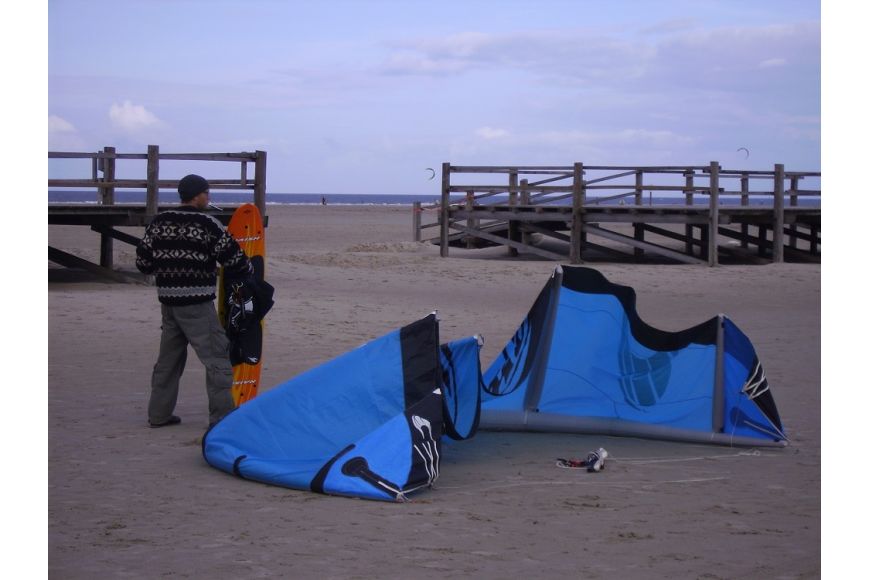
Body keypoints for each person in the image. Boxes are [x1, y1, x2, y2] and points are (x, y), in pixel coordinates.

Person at [136, 174, 253, 428]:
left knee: (169, 360)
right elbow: (235, 260)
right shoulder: (207, 224)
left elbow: (143, 263)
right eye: (207, 193)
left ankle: (158, 414)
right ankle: (222, 419)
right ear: (198, 195)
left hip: (168, 302)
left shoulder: (159, 222)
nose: (208, 197)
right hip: (197, 302)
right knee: (218, 359)